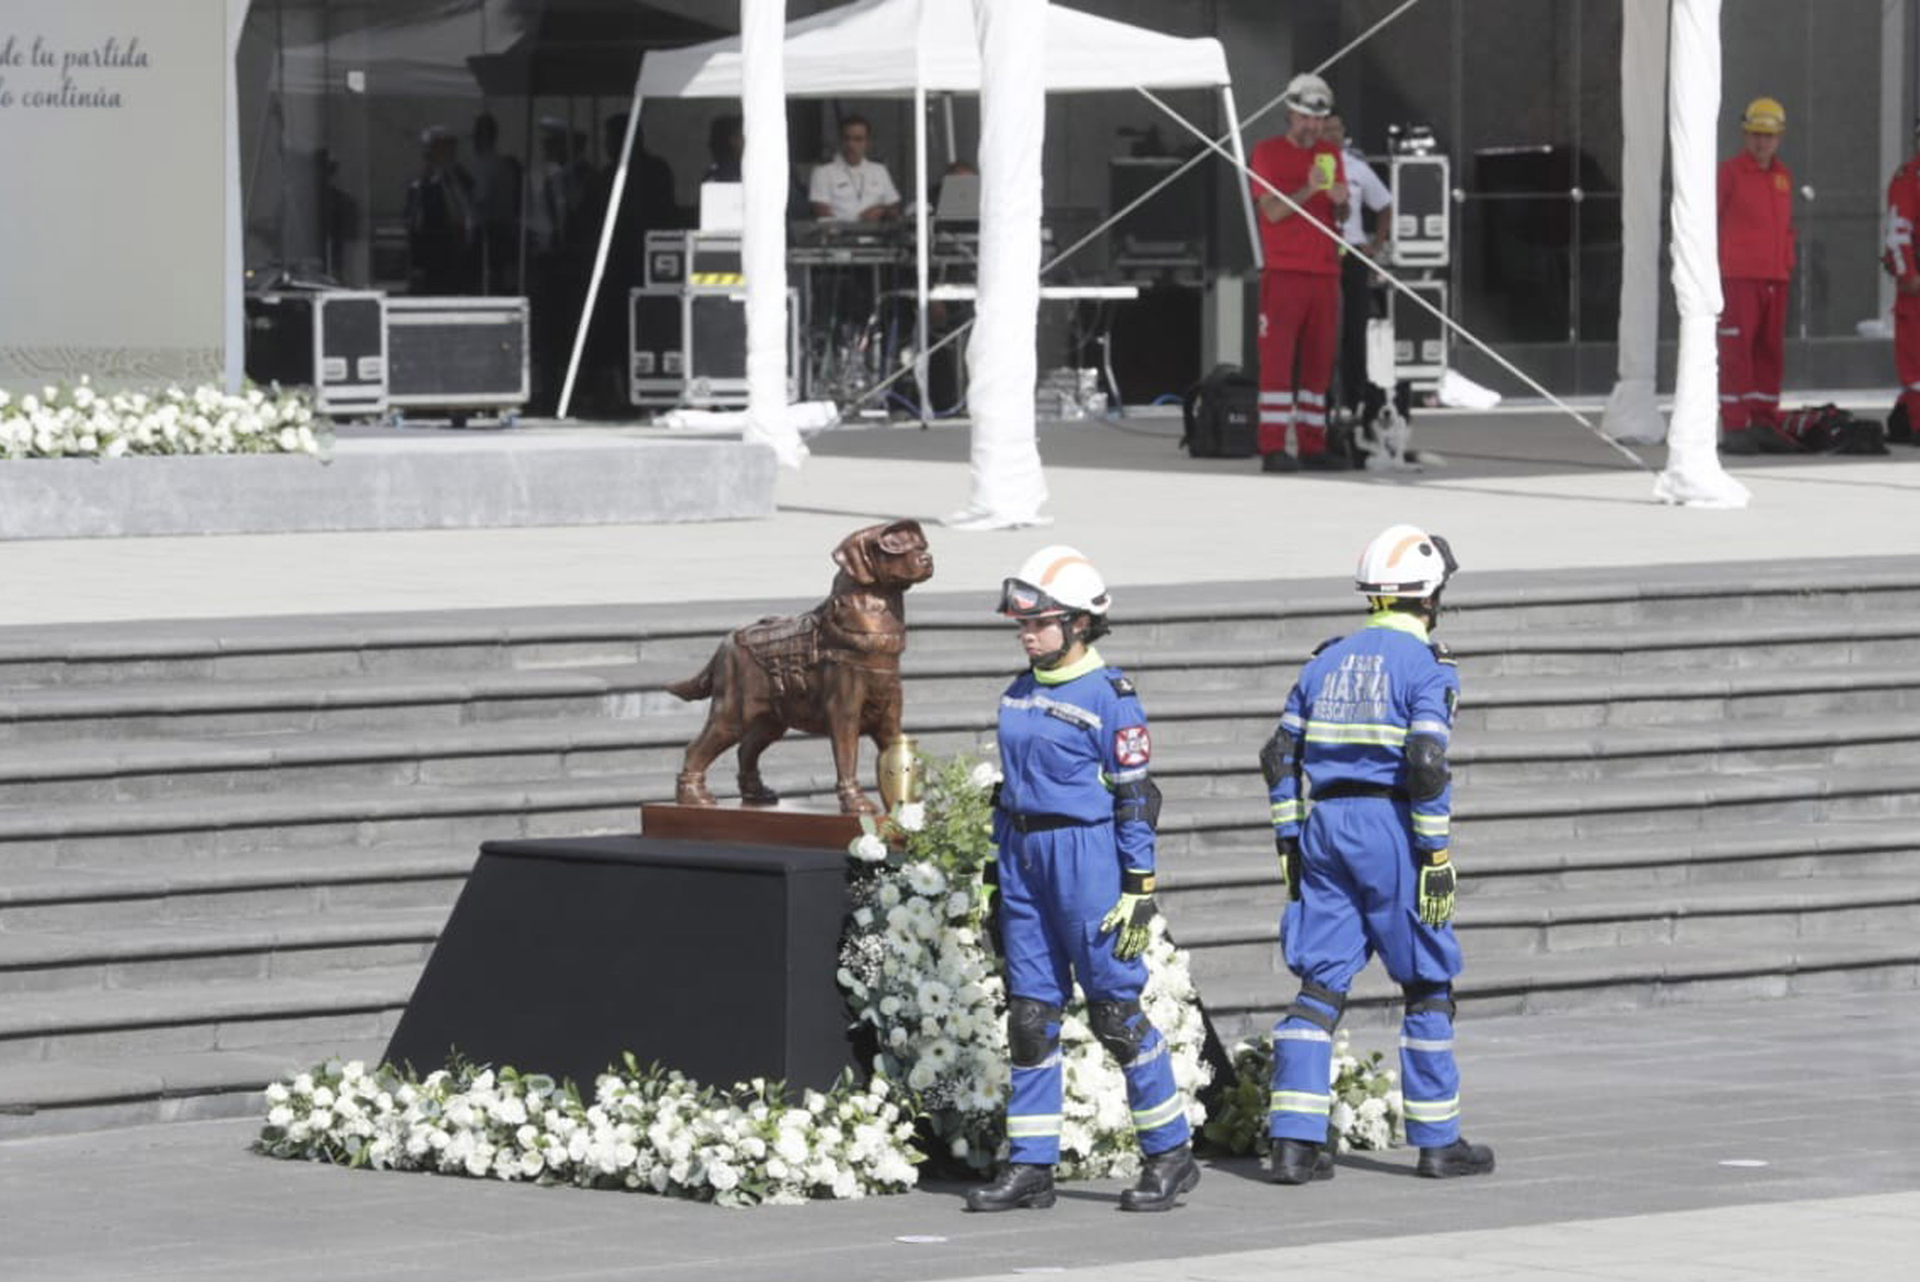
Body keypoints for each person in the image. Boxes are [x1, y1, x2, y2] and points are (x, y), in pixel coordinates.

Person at [966, 547, 1200, 1215]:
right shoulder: (1018, 691)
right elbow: (1008, 792)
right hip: (1024, 859)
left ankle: (1170, 1154)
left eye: (1038, 623)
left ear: (1078, 623)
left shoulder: (1110, 697)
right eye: (1022, 623)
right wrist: (995, 876)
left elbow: (1135, 797)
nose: (1026, 634)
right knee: (1030, 1018)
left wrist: (1139, 887)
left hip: (1087, 859)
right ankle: (1031, 1165)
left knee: (1115, 1014)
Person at [1260, 525, 1494, 1183]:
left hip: (1325, 826)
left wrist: (1289, 839)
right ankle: (1438, 1141)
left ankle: (1293, 1144)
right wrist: (1436, 854)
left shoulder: (1325, 660)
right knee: (1426, 983)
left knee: (1320, 984)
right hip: (1390, 827)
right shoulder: (1428, 665)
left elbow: (1279, 755)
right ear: (1431, 596)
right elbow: (1426, 762)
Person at [1250, 73, 1350, 472]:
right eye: (1306, 118)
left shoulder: (1331, 153)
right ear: (1290, 114)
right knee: (1277, 361)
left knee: (1319, 363)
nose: (1313, 126)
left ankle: (1313, 444)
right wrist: (1309, 189)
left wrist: (1341, 202)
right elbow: (1272, 212)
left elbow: (1339, 216)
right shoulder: (1266, 153)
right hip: (1284, 271)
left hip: (1325, 271)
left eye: (1319, 119)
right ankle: (1272, 446)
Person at [1717, 96, 1796, 450]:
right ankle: (1735, 424)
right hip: (1739, 278)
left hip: (1775, 278)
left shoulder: (1782, 177)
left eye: (1768, 136)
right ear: (1745, 135)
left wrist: (1786, 261)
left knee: (1769, 352)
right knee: (1737, 352)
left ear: (1779, 137)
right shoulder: (1729, 173)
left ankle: (1764, 419)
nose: (1762, 142)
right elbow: (1708, 220)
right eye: (1755, 135)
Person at [1325, 114, 1393, 425]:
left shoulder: (1356, 167)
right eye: (1326, 130)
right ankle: (1322, 397)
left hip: (1352, 251)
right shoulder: (1309, 166)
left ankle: (1356, 397)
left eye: (1336, 129)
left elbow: (1384, 205)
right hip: (1320, 250)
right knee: (1323, 328)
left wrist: (1376, 244)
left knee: (1355, 326)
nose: (1332, 134)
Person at [1883, 118, 1920, 445]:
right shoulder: (1909, 178)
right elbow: (1898, 230)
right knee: (1916, 361)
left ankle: (1906, 417)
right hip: (1916, 290)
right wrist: (1908, 274)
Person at [404, 126, 472, 295]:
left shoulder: (461, 177)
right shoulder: (420, 183)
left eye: (452, 148)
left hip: (458, 251)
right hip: (433, 253)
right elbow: (414, 222)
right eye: (445, 148)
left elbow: (469, 207)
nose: (452, 153)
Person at [809, 115, 902, 223]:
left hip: (876, 232)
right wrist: (857, 223)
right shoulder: (823, 172)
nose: (851, 145)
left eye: (858, 139)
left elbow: (893, 207)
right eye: (847, 139)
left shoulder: (879, 170)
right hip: (839, 232)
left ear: (868, 143)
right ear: (840, 141)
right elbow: (821, 211)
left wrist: (882, 210)